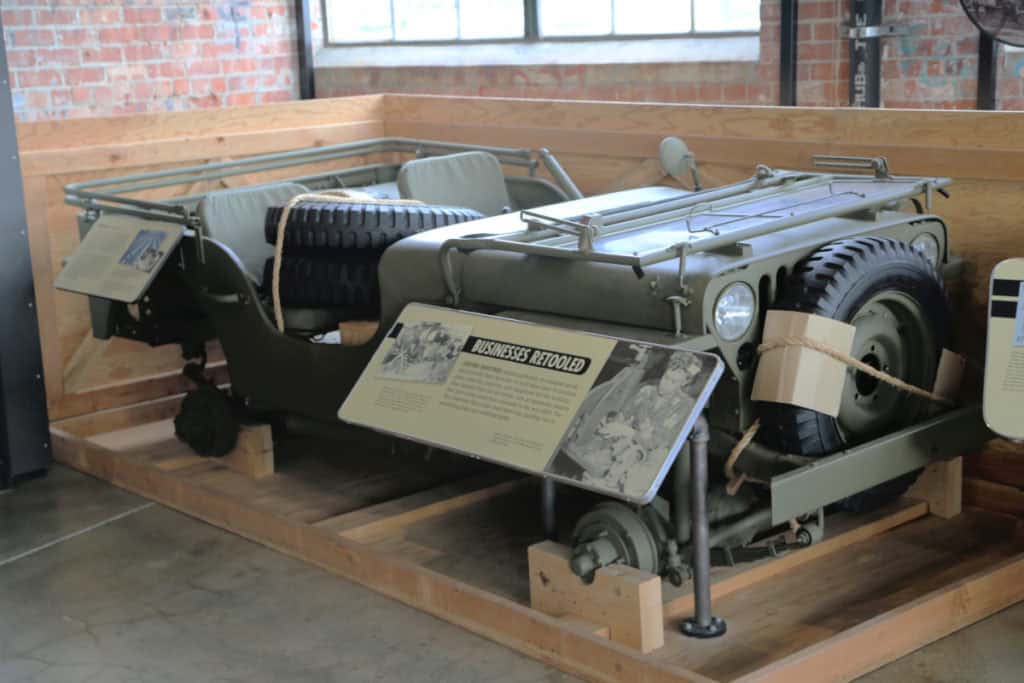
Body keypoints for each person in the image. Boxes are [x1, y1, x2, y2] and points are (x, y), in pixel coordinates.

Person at [555, 347, 704, 497]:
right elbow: (624, 414)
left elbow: (659, 441)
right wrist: (611, 422)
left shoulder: (685, 405)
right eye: (666, 377)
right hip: (622, 444)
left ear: (684, 383)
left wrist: (629, 432)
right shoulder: (646, 391)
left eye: (673, 382)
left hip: (647, 454)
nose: (665, 384)